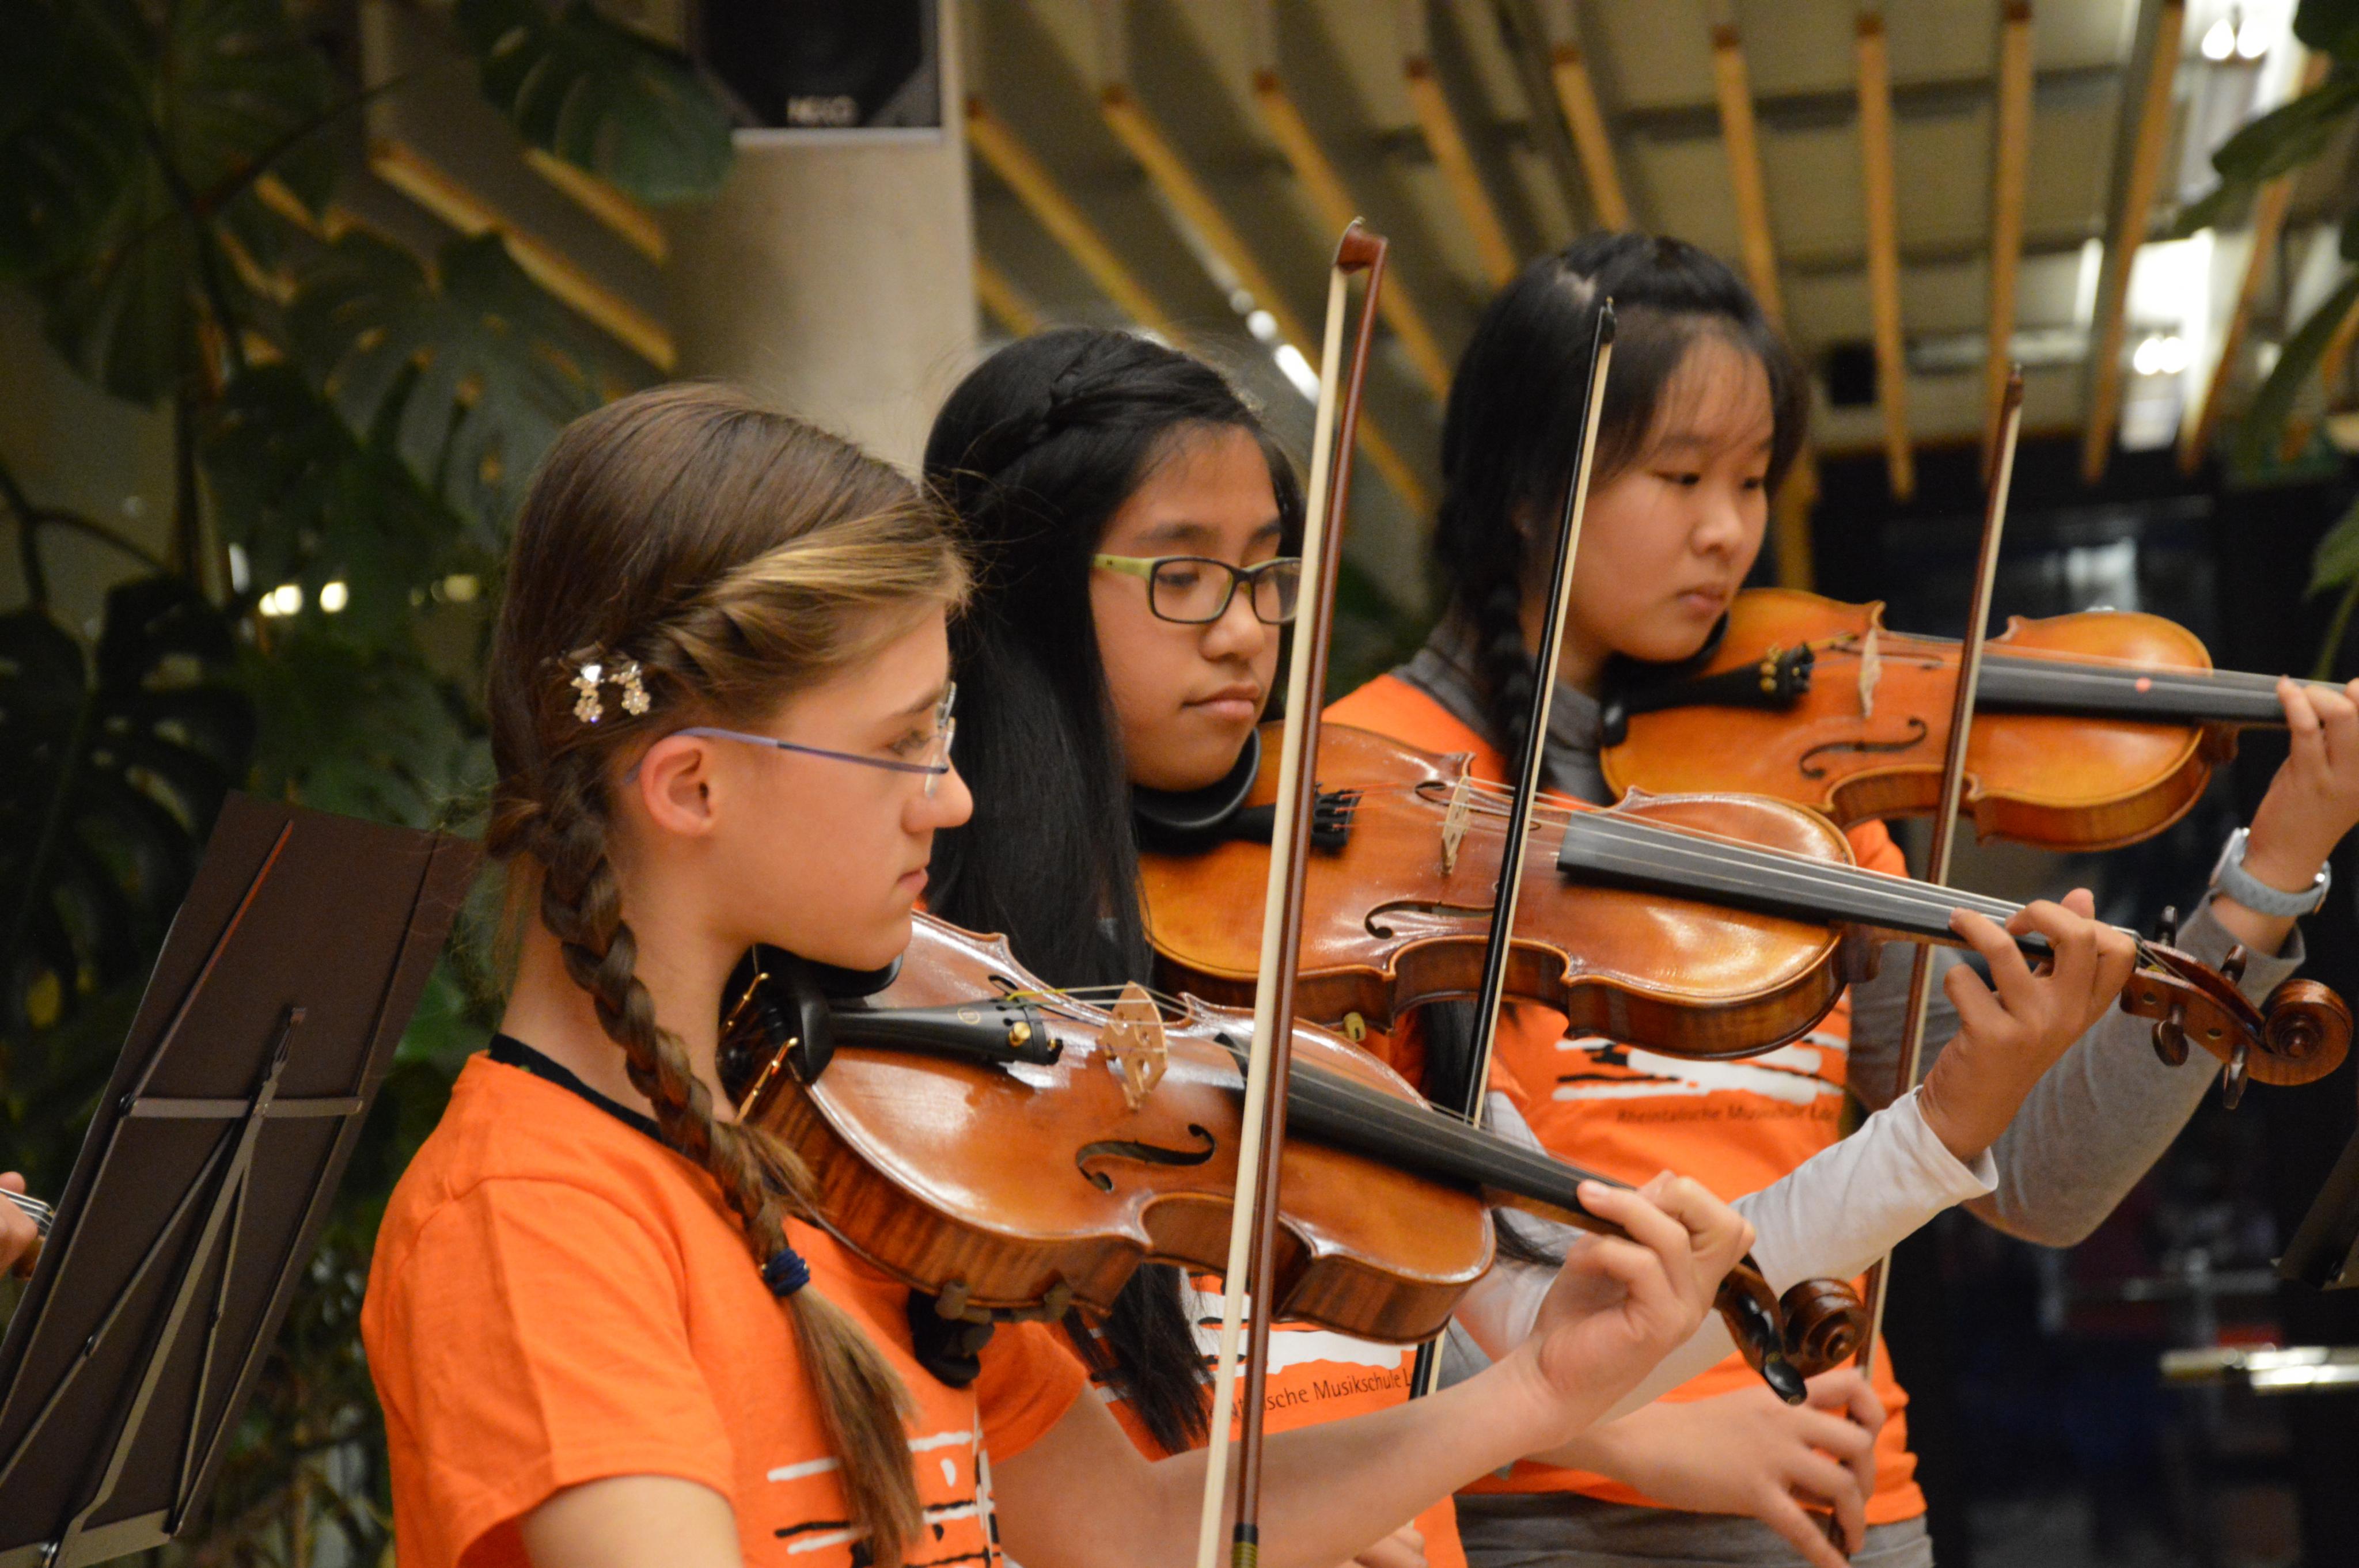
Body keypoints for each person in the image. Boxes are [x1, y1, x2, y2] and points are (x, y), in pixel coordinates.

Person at [359, 382, 1761, 1568]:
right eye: (901, 743)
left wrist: (1535, 1391)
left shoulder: (841, 1140)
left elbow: (1134, 1531)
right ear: (691, 786)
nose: (953, 797)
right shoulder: (534, 1219)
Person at [923, 329, 2142, 1568]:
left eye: (1266, 572)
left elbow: (1583, 1329)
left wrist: (1931, 1133)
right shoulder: (932, 975)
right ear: (1021, 586)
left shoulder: (1334, 924)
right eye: (1183, 576)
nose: (1245, 631)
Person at [1326, 231, 2359, 1567]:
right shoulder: (1369, 782)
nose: (1726, 530)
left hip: (1844, 1510)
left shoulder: (1800, 794)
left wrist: (2268, 872)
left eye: (1751, 479)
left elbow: (2040, 1184)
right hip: (1534, 1524)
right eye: (1678, 475)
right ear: (1530, 485)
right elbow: (1325, 1257)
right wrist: (1626, 1439)